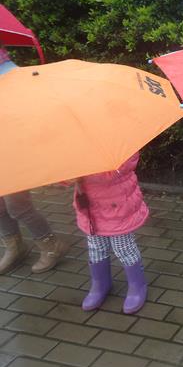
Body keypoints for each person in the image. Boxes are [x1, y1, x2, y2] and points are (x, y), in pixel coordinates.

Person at [0, 46, 70, 275]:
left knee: (17, 205)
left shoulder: (11, 76)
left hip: (15, 150)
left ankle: (50, 245)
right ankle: (14, 246)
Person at [73, 153, 149, 314]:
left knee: (123, 247)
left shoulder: (117, 145)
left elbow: (119, 169)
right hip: (90, 208)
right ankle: (100, 283)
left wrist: (85, 169)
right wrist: (70, 174)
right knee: (96, 247)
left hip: (117, 207)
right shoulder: (77, 147)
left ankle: (137, 285)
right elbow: (64, 174)